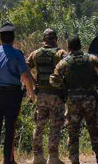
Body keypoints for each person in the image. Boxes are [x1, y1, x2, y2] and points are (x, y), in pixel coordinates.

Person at [50, 36, 98, 164]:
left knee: (73, 132)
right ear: (80, 46)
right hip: (90, 101)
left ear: (69, 48)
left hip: (73, 102)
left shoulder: (65, 62)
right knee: (94, 130)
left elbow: (54, 80)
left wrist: (63, 83)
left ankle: (74, 160)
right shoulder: (91, 59)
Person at [0, 22, 36, 164]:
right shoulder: (17, 54)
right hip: (12, 94)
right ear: (13, 38)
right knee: (10, 127)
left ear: (0, 38)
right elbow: (25, 76)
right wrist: (31, 93)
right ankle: (8, 160)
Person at [26, 28, 68, 164]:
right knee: (55, 126)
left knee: (39, 125)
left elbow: (25, 69)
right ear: (55, 39)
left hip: (42, 95)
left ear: (44, 40)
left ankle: (37, 156)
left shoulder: (35, 54)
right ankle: (53, 157)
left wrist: (34, 84)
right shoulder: (61, 53)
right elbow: (69, 70)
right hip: (57, 95)